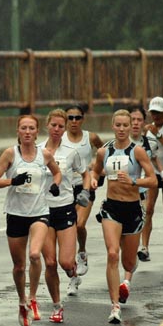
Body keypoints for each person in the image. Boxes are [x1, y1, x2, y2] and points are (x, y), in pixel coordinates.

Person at [0, 115, 61, 326]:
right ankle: (22, 302)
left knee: (34, 254)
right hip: (16, 214)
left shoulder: (44, 154)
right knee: (19, 266)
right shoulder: (10, 154)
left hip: (39, 212)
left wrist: (55, 185)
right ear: (18, 131)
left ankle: (32, 296)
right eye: (23, 128)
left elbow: (57, 174)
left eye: (31, 128)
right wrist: (12, 181)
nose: (27, 132)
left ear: (37, 132)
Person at [90, 110, 158, 324]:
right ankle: (115, 306)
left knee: (128, 263)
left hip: (132, 209)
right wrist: (93, 180)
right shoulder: (104, 151)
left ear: (130, 127)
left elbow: (153, 180)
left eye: (124, 125)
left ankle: (129, 273)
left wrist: (134, 182)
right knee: (112, 255)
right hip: (111, 208)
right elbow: (95, 171)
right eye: (117, 125)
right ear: (112, 126)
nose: (121, 129)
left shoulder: (137, 152)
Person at [33, 110, 89, 321]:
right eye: (54, 125)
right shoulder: (37, 151)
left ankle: (73, 275)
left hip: (65, 207)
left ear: (65, 129)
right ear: (47, 125)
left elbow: (85, 174)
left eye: (61, 126)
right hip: (42, 211)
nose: (57, 129)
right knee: (49, 262)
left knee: (66, 262)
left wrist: (85, 191)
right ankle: (57, 306)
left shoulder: (71, 151)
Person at [131, 100, 163, 262]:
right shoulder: (147, 130)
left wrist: (158, 135)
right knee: (149, 209)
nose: (156, 116)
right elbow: (148, 154)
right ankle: (144, 248)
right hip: (153, 174)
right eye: (153, 112)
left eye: (159, 112)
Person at [61, 104, 104, 281]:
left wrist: (96, 167)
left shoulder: (90, 137)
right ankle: (72, 275)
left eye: (77, 117)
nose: (73, 121)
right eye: (70, 118)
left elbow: (103, 153)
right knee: (67, 231)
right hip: (64, 188)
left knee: (78, 225)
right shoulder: (59, 138)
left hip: (85, 186)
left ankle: (82, 252)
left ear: (82, 119)